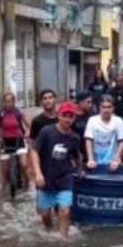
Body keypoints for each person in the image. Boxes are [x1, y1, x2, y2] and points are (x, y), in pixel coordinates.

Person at [31, 101, 84, 237]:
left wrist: (79, 170)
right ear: (59, 116)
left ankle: (62, 241)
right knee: (45, 214)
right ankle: (49, 233)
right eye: (65, 116)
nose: (67, 119)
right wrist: (38, 173)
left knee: (65, 212)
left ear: (74, 118)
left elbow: (76, 156)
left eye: (70, 116)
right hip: (46, 177)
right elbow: (34, 151)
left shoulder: (75, 138)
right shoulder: (46, 132)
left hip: (65, 178)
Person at [0, 92, 29, 192]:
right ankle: (3, 192)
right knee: (5, 171)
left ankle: (27, 185)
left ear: (14, 102)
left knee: (24, 164)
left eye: (10, 101)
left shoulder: (19, 111)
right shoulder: (0, 111)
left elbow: (29, 125)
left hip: (19, 140)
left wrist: (28, 132)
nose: (8, 104)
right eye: (6, 102)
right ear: (3, 102)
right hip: (5, 141)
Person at [85, 95, 123, 170]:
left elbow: (122, 142)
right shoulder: (92, 120)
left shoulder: (118, 121)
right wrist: (90, 159)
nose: (106, 110)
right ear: (100, 107)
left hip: (113, 162)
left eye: (109, 107)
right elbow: (88, 140)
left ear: (113, 108)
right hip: (95, 162)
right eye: (103, 107)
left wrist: (116, 160)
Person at [29, 89, 59, 153]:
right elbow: (33, 143)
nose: (48, 101)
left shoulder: (62, 118)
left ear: (55, 100)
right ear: (41, 102)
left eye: (50, 97)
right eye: (45, 98)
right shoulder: (37, 121)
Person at [73, 91, 94, 165]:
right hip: (76, 153)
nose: (90, 105)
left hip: (89, 152)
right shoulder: (71, 117)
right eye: (88, 102)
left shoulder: (92, 116)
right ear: (80, 102)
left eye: (91, 102)